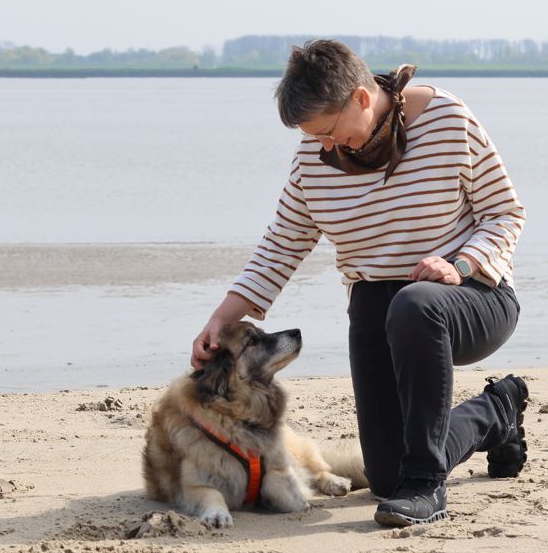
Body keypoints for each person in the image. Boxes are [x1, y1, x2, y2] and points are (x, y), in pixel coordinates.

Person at [190, 39, 528, 528]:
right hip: (381, 310)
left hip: (475, 297)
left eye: (329, 131)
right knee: (388, 476)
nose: (325, 146)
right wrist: (222, 320)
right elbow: (281, 246)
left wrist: (460, 264)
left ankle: (427, 487)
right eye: (313, 137)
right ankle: (496, 411)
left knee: (415, 304)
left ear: (361, 99)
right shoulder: (314, 159)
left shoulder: (447, 119)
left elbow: (505, 213)